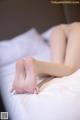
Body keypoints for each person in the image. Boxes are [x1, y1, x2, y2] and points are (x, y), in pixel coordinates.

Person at [11, 22, 80, 94]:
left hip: (57, 30)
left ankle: (25, 72)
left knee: (57, 70)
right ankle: (35, 65)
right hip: (77, 28)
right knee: (69, 69)